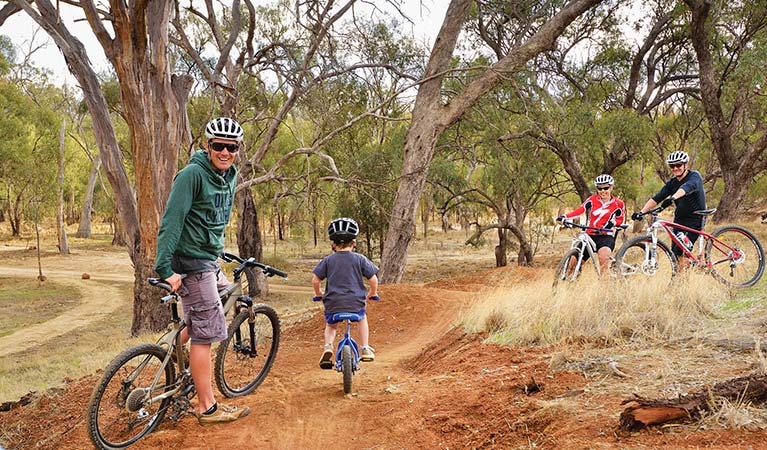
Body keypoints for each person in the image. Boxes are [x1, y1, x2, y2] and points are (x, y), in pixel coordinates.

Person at [154, 117, 250, 426]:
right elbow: (172, 221)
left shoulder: (229, 175)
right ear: (207, 146)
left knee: (219, 302)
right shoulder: (192, 175)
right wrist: (164, 267)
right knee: (205, 335)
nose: (224, 152)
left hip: (208, 259)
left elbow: (212, 218)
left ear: (237, 150)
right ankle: (207, 406)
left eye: (231, 147)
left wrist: (216, 247)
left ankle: (166, 350)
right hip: (191, 264)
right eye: (218, 146)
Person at [312, 217, 379, 369]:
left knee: (331, 325)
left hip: (333, 302)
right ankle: (365, 348)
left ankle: (328, 346)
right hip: (356, 302)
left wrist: (319, 294)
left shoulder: (328, 260)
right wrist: (372, 293)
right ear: (354, 243)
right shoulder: (360, 259)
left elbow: (316, 280)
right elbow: (374, 280)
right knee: (362, 319)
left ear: (333, 244)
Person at [632, 151, 706, 269]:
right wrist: (642, 211)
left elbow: (686, 188)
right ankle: (680, 280)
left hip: (696, 218)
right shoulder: (672, 182)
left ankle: (682, 282)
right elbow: (657, 197)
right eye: (672, 166)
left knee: (682, 250)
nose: (675, 168)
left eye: (678, 165)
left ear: (686, 165)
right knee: (675, 252)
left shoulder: (694, 176)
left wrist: (672, 198)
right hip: (679, 219)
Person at [556, 174, 626, 274]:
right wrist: (565, 217)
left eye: (606, 188)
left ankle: (605, 286)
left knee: (603, 259)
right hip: (589, 235)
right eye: (599, 188)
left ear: (611, 187)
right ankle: (569, 285)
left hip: (605, 236)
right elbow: (580, 210)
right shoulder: (592, 200)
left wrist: (613, 223)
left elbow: (620, 219)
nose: (602, 191)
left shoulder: (618, 204)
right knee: (572, 264)